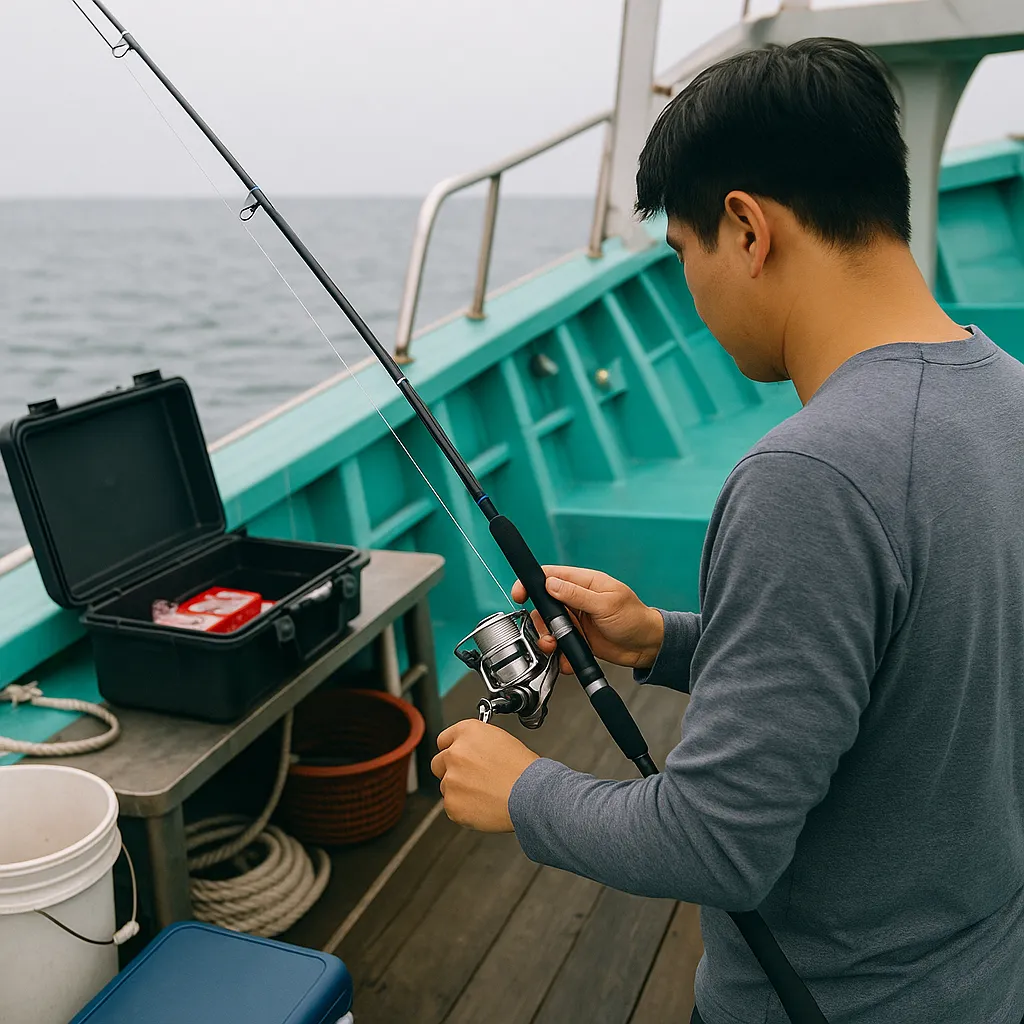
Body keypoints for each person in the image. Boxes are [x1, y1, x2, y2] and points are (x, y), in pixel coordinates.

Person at [430, 37, 1024, 1024]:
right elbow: (915, 663)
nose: (691, 292)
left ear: (746, 228)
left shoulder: (808, 477)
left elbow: (714, 843)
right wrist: (661, 639)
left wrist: (522, 790)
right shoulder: (1005, 392)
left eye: (683, 253)